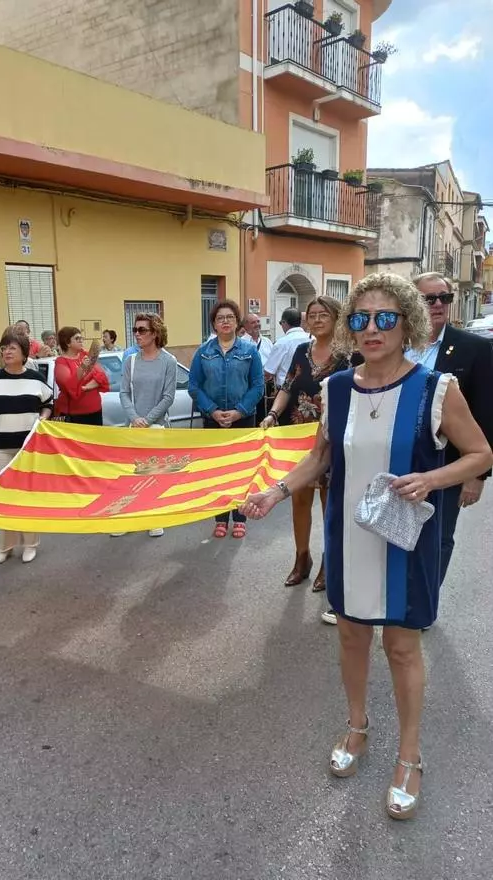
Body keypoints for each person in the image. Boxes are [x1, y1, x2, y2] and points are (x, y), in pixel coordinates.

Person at [240, 272, 493, 821]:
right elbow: (319, 459)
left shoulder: (435, 389)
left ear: (408, 324)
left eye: (385, 318)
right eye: (361, 318)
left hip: (405, 541)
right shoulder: (335, 388)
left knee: (401, 647)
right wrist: (277, 491)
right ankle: (356, 727)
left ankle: (409, 755)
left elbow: (480, 453)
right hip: (349, 536)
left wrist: (433, 480)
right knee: (352, 637)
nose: (371, 328)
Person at [261, 296, 349, 591]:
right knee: (298, 499)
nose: (317, 319)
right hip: (297, 439)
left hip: (332, 442)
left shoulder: (349, 356)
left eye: (324, 314)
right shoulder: (301, 350)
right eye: (312, 314)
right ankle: (302, 558)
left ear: (336, 318)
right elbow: (287, 387)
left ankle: (328, 562)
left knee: (329, 505)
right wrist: (273, 414)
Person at [410, 273, 493, 585]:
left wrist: (477, 475)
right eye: (429, 298)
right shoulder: (395, 344)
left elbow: (486, 411)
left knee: (439, 535)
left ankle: (424, 602)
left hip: (449, 461)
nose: (438, 305)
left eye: (444, 298)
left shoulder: (474, 349)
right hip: (399, 456)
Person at [189, 299, 264, 539]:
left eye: (230, 317)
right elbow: (194, 387)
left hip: (243, 420)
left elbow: (258, 386)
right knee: (217, 471)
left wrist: (239, 411)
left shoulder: (249, 351)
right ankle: (220, 518)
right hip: (213, 421)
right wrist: (212, 410)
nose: (225, 322)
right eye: (220, 318)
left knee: (241, 471)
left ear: (237, 322)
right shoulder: (203, 353)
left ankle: (240, 518)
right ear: (213, 324)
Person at [0, 330, 54, 564]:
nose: (6, 351)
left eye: (12, 348)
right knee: (2, 496)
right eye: (4, 348)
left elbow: (48, 403)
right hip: (0, 446)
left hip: (28, 448)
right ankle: (5, 547)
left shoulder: (35, 378)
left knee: (27, 496)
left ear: (24, 352)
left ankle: (30, 544)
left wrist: (43, 417)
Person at [117, 313, 177, 539]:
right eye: (135, 329)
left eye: (142, 330)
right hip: (134, 427)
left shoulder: (168, 361)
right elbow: (123, 393)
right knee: (131, 475)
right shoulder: (130, 361)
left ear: (155, 333)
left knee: (154, 475)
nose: (137, 334)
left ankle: (155, 518)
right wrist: (134, 418)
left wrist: (148, 419)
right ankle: (129, 518)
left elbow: (168, 396)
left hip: (158, 427)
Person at [54, 327, 109, 425]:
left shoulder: (86, 355)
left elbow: (102, 376)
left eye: (81, 338)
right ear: (67, 343)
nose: (81, 340)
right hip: (73, 414)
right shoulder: (61, 362)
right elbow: (69, 386)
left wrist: (87, 387)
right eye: (77, 338)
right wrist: (82, 367)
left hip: (95, 410)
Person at [264, 308, 312, 392]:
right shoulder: (312, 338)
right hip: (311, 389)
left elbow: (269, 371)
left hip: (287, 391)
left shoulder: (281, 343)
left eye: (280, 323)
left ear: (284, 323)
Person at [242, 313, 274, 422]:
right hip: (249, 387)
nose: (257, 324)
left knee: (265, 417)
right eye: (253, 322)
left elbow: (273, 361)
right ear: (245, 326)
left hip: (266, 387)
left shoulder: (267, 342)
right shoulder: (241, 343)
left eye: (258, 321)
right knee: (251, 418)